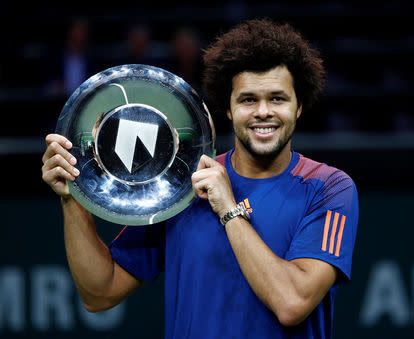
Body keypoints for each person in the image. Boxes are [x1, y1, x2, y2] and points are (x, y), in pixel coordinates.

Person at [41, 19, 358, 339]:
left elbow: (292, 303)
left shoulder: (329, 188)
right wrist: (73, 197)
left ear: (299, 106)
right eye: (248, 99)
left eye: (278, 98)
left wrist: (228, 209)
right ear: (229, 109)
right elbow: (100, 293)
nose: (263, 111)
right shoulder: (183, 187)